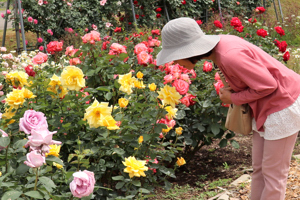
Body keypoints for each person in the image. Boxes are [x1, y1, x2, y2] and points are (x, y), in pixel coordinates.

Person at [156, 17, 300, 200]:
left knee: (274, 176)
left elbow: (268, 85)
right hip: (268, 106)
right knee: (260, 170)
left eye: (175, 55)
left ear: (187, 50)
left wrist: (232, 97)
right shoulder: (220, 48)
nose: (176, 62)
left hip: (283, 106)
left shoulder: (228, 55)